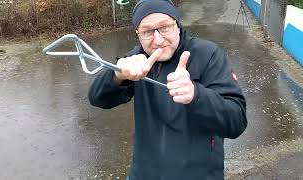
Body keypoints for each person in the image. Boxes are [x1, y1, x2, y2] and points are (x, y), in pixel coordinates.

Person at [89, 0, 247, 179]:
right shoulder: (137, 59)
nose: (157, 40)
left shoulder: (208, 54)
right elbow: (97, 98)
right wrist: (117, 76)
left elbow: (237, 121)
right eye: (147, 31)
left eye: (164, 27)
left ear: (177, 25)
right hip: (143, 174)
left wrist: (196, 95)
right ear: (138, 34)